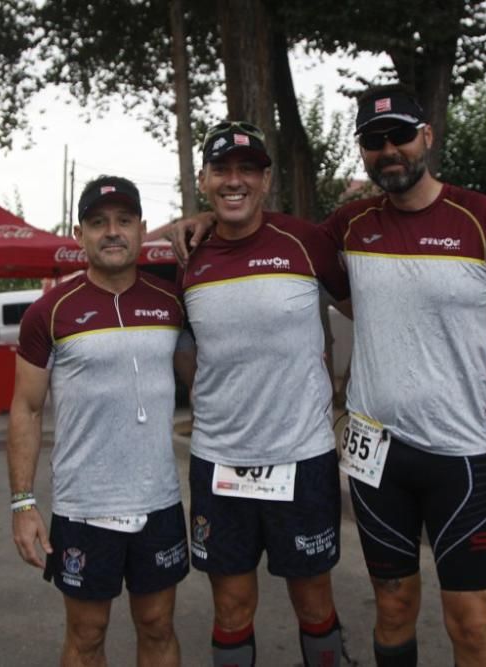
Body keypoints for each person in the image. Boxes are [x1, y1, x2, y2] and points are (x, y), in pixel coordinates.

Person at [172, 85, 486, 667]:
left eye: (399, 135)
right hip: (376, 455)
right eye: (374, 141)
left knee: (471, 624)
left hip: (459, 453)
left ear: (427, 135)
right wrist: (199, 219)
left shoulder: (483, 218)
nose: (388, 150)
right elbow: (346, 297)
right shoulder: (346, 226)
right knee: (393, 607)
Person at [179, 121, 352, 667]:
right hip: (220, 463)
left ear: (267, 179)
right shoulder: (186, 256)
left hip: (301, 458)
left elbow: (371, 309)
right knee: (231, 606)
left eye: (247, 170)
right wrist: (181, 223)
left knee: (313, 599)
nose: (235, 182)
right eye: (222, 171)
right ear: (204, 180)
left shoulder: (306, 240)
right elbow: (118, 246)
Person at [7, 176, 191, 667]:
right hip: (84, 507)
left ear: (142, 229)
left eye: (124, 221)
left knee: (157, 626)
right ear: (78, 233)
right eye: (98, 222)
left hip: (158, 501)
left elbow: (208, 379)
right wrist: (23, 503)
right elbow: (24, 410)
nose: (113, 232)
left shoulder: (172, 302)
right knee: (87, 635)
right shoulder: (49, 313)